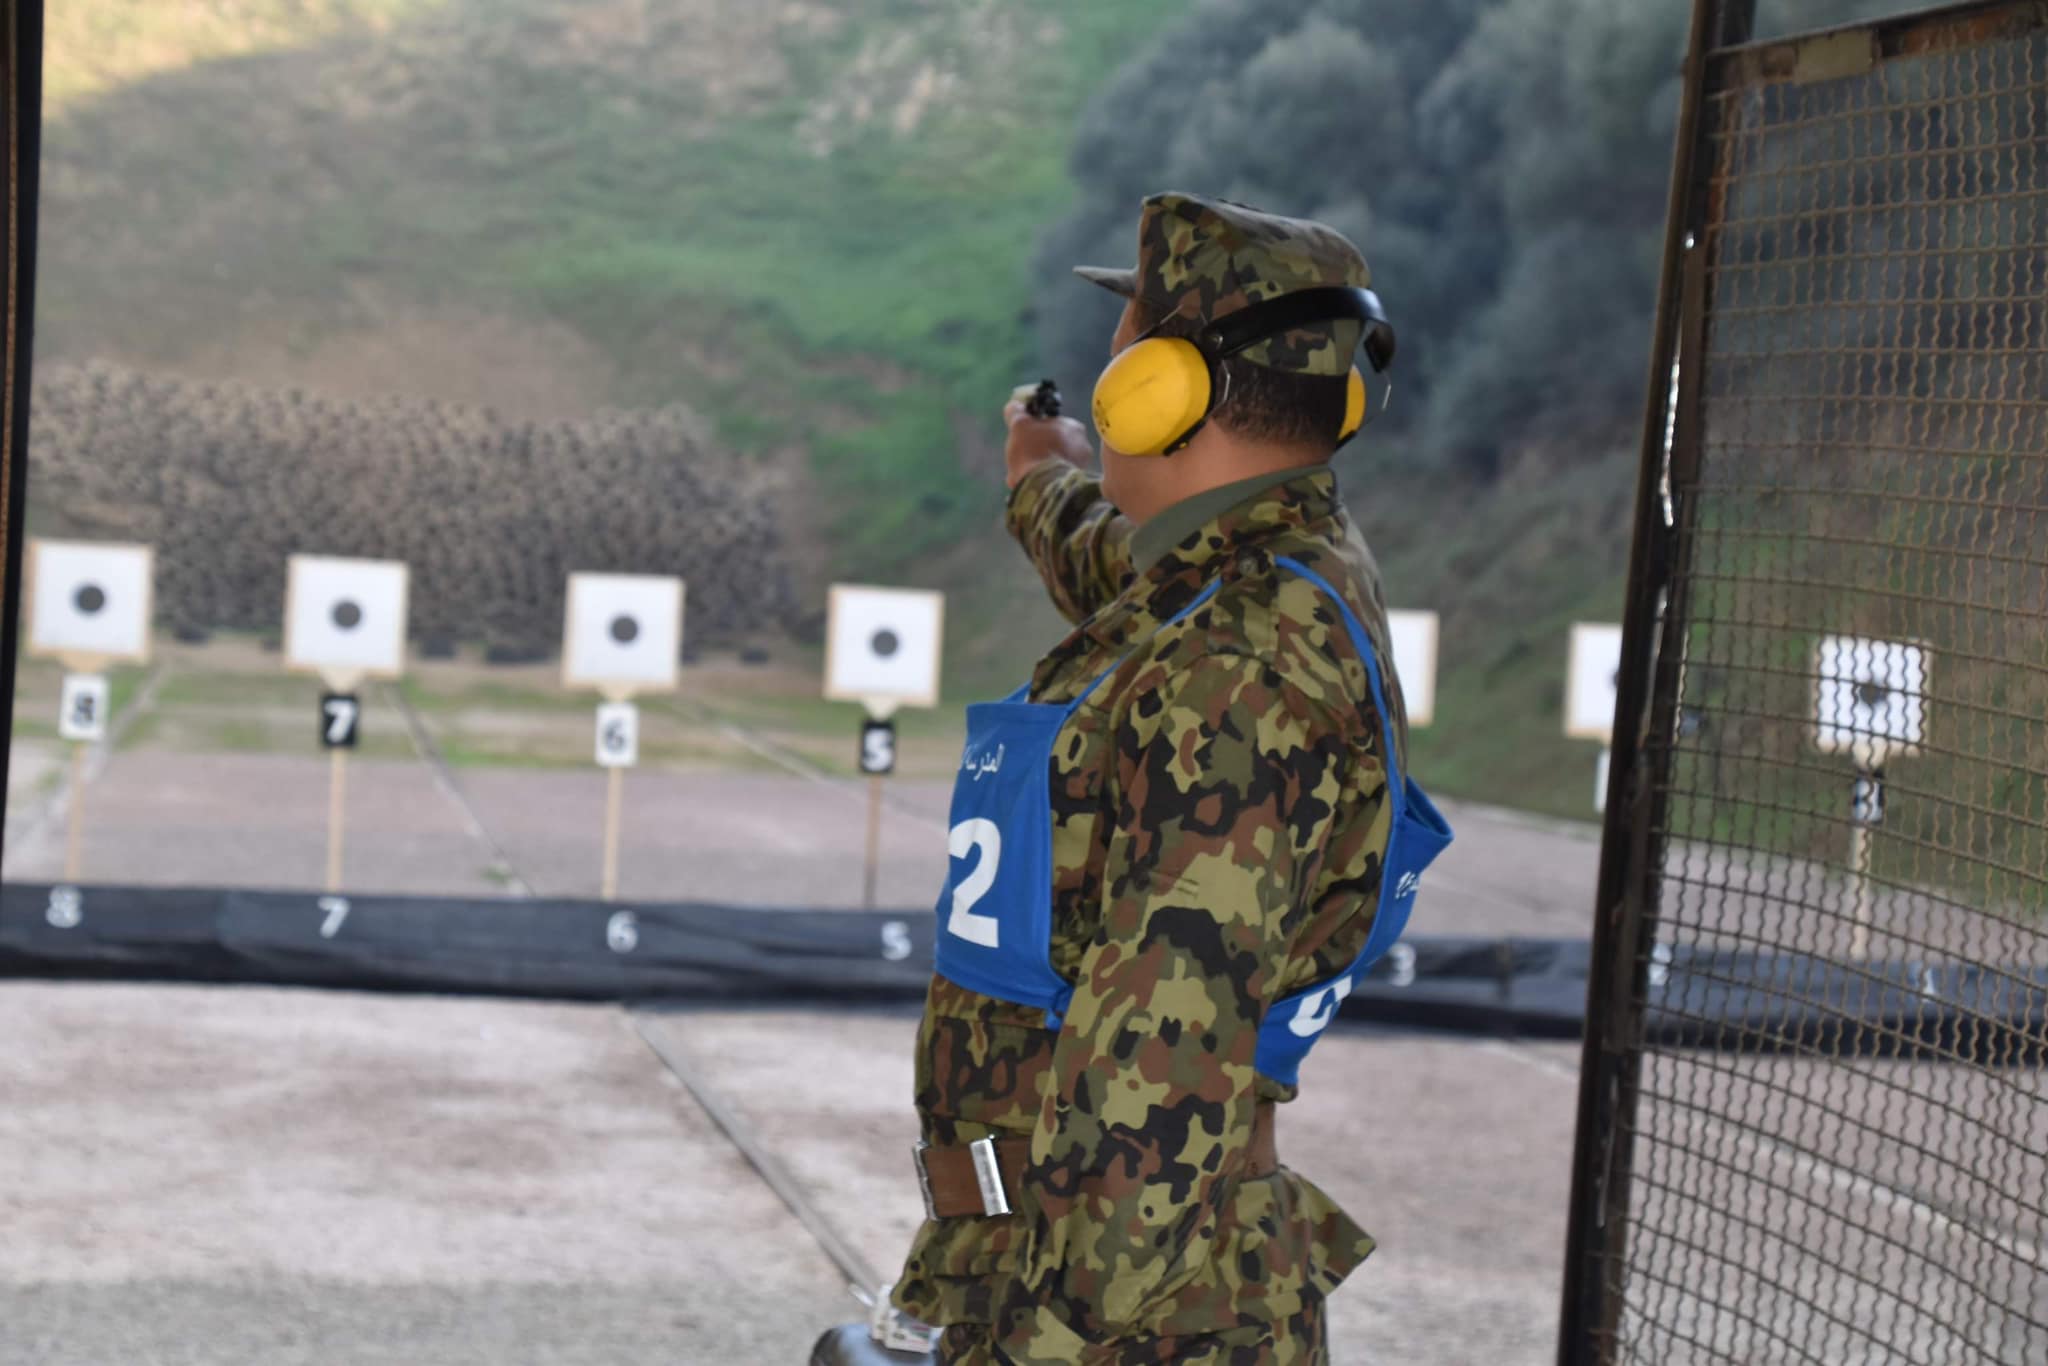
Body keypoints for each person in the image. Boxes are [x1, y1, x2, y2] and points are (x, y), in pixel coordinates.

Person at [886, 191, 1452, 1365]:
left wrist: (1033, 1342)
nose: (1106, 387)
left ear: (1165, 394)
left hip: (1122, 1304)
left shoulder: (1240, 670)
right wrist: (1042, 476)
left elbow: (1159, 1075)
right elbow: (1123, 572)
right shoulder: (1265, 573)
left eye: (1123, 358)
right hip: (1082, 1269)